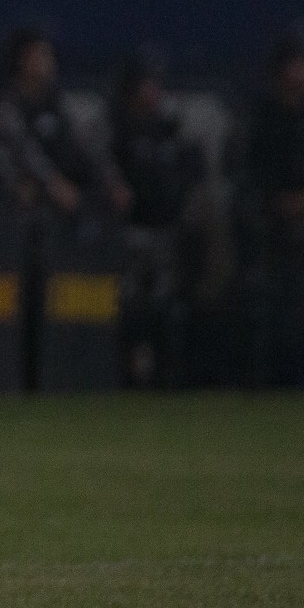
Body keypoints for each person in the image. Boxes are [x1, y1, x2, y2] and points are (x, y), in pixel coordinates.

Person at [237, 21, 304, 388]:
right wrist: (278, 205)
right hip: (268, 234)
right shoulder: (261, 118)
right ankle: (264, 381)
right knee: (266, 297)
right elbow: (246, 179)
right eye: (297, 65)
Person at [110, 49, 209, 386]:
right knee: (129, 307)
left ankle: (166, 375)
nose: (151, 91)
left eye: (155, 84)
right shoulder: (116, 129)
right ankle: (126, 374)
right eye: (144, 84)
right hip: (130, 235)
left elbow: (196, 172)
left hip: (167, 233)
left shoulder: (171, 130)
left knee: (168, 307)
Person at [0, 27, 130, 218]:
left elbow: (85, 142)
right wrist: (53, 182)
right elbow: (24, 148)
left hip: (61, 195)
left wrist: (112, 180)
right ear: (22, 59)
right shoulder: (6, 103)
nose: (50, 62)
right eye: (41, 54)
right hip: (16, 194)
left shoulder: (56, 101)